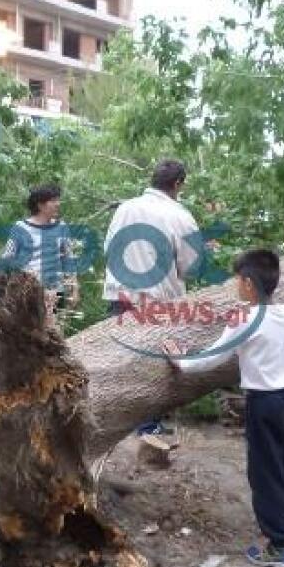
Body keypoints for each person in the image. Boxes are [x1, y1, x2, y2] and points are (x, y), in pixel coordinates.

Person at [162, 250, 284, 567]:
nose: (235, 286)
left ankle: (280, 548)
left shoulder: (245, 320)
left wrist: (180, 360)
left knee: (266, 473)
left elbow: (213, 357)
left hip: (266, 404)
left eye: (237, 280)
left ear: (247, 284)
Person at [102, 159, 204, 435]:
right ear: (177, 184)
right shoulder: (180, 216)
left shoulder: (125, 208)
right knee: (154, 364)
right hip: (158, 298)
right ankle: (147, 426)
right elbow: (191, 267)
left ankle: (121, 421)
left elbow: (108, 247)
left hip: (121, 293)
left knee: (123, 359)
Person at [1, 185, 79, 330]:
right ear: (40, 204)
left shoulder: (61, 227)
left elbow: (69, 259)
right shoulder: (21, 228)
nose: (58, 204)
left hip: (55, 291)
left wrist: (74, 288)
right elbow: (6, 258)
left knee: (54, 333)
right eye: (53, 200)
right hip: (29, 293)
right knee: (33, 335)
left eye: (58, 200)